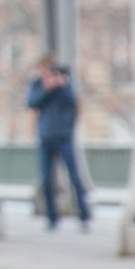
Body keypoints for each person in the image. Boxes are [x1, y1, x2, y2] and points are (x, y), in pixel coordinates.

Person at [28, 54, 92, 232]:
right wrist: (47, 89)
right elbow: (32, 103)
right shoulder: (38, 84)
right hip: (45, 137)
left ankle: (84, 216)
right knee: (46, 180)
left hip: (64, 137)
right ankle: (52, 219)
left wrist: (61, 86)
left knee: (74, 177)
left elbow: (74, 103)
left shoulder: (65, 85)